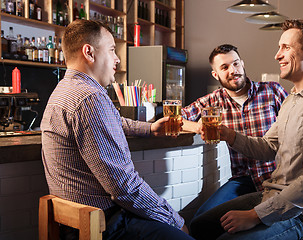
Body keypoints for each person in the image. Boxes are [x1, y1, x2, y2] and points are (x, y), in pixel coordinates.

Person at [190, 19, 303, 240]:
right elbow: (268, 147)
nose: (277, 55)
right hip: (271, 195)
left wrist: (254, 215)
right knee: (200, 226)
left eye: (286, 47)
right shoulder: (293, 99)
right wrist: (229, 135)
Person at [40, 20, 193, 240]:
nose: (117, 59)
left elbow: (114, 121)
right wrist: (174, 220)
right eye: (112, 50)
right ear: (89, 52)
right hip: (105, 226)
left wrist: (150, 128)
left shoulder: (64, 91)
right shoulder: (89, 98)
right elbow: (124, 187)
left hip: (74, 223)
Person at [181, 44, 288, 217]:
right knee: (201, 219)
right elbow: (174, 118)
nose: (233, 70)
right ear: (215, 74)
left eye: (236, 63)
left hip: (277, 177)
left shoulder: (272, 91)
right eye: (225, 67)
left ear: (242, 64)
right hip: (241, 180)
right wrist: (198, 127)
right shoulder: (211, 102)